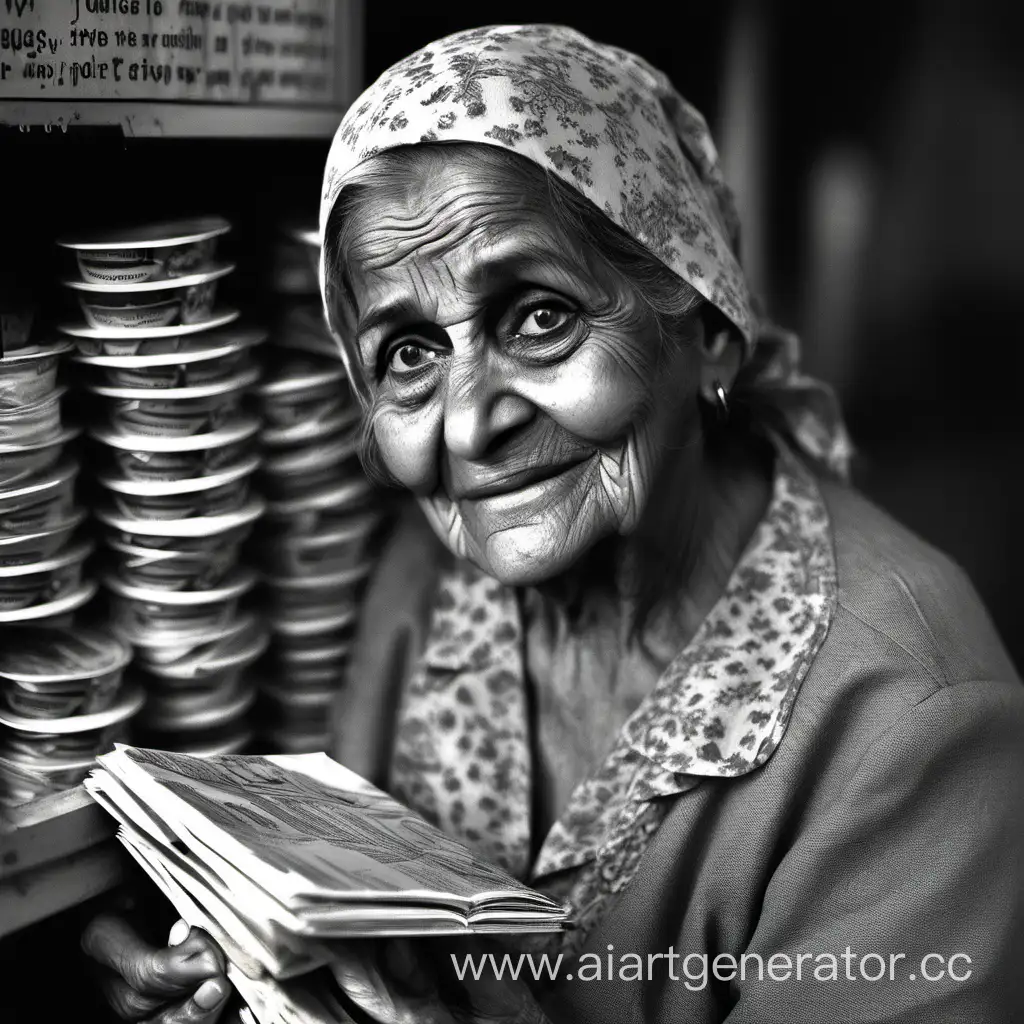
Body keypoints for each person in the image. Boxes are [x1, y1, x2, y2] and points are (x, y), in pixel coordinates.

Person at [82, 24, 1024, 1023]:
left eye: (539, 316)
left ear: (704, 325)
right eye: (407, 353)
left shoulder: (914, 731)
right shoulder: (432, 574)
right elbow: (342, 917)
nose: (471, 423)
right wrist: (228, 953)